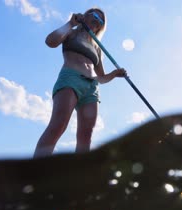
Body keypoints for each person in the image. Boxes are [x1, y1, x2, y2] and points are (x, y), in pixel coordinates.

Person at [34, 7, 127, 158]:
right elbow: (50, 42)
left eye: (101, 21)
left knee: (86, 137)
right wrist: (70, 24)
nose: (97, 20)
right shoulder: (71, 32)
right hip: (71, 78)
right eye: (95, 15)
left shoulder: (97, 47)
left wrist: (115, 74)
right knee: (58, 125)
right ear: (85, 15)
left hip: (91, 88)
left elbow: (101, 77)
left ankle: (79, 177)